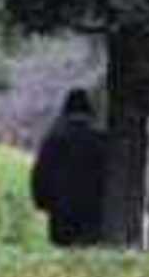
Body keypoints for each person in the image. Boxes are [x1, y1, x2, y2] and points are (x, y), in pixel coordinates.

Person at [30, 88, 107, 247]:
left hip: (61, 208)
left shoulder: (54, 140)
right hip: (92, 208)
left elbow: (41, 173)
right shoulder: (99, 140)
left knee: (64, 249)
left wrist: (41, 201)